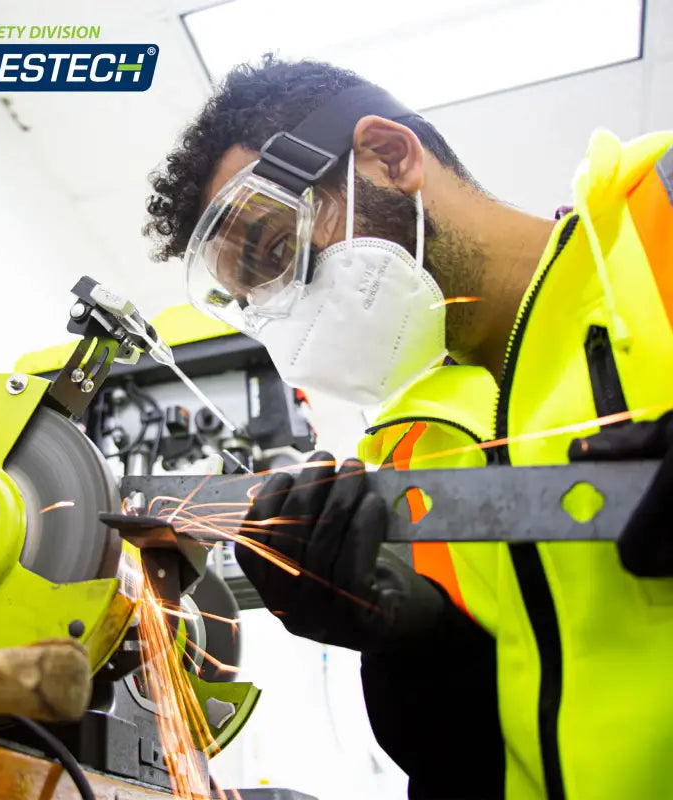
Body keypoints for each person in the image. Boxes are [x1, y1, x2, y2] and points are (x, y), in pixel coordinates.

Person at [144, 56, 673, 800]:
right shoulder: (404, 452)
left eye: (276, 250)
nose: (285, 317)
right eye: (254, 300)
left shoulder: (657, 231)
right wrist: (401, 643)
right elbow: (483, 751)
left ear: (389, 157)